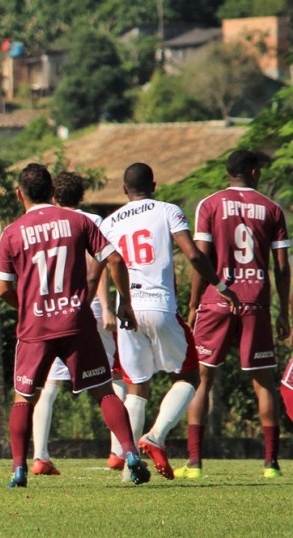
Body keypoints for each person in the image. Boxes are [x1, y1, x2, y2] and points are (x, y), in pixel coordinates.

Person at [0, 163, 150, 488]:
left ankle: (20, 469)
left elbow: (2, 288)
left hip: (35, 327)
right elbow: (115, 260)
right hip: (76, 321)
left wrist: (28, 308)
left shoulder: (12, 232)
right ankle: (131, 454)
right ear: (52, 192)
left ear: (19, 194)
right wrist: (126, 303)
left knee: (25, 397)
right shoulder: (77, 221)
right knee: (104, 392)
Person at [99, 162, 239, 480]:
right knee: (190, 376)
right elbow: (192, 254)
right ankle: (155, 436)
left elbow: (99, 269)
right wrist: (220, 287)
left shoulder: (109, 222)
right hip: (161, 306)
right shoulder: (168, 210)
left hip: (127, 311)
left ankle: (130, 465)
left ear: (124, 190)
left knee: (136, 387)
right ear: (155, 184)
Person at [178, 149, 290, 479]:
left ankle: (195, 463)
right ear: (254, 173)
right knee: (263, 382)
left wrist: (195, 304)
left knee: (202, 379)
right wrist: (284, 311)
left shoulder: (209, 205)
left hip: (218, 298)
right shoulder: (272, 209)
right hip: (255, 298)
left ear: (228, 173)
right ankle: (271, 464)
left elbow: (200, 259)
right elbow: (282, 268)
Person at [29, 171, 123, 476]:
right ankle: (118, 450)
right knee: (111, 379)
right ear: (82, 195)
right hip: (91, 307)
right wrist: (108, 307)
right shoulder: (94, 220)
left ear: (54, 195)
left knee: (51, 386)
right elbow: (106, 262)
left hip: (55, 310)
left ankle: (41, 455)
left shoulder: (46, 223)